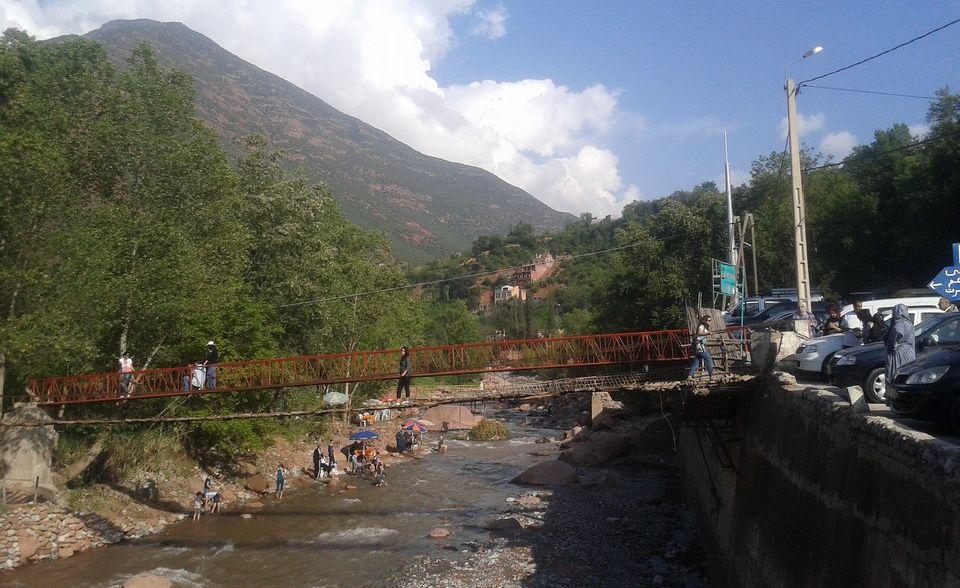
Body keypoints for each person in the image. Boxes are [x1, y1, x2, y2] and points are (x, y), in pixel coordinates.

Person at [884, 304, 916, 397]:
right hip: (909, 352)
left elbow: (898, 331)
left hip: (899, 353)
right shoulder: (909, 323)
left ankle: (894, 397)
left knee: (895, 374)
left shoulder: (900, 323)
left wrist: (893, 342)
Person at [687, 315, 714, 380]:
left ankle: (689, 376)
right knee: (709, 359)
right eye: (709, 320)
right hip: (700, 347)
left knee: (696, 362)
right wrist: (708, 333)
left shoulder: (704, 327)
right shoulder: (701, 326)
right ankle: (711, 376)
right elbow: (699, 333)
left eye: (710, 320)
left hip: (698, 347)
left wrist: (708, 332)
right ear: (705, 321)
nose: (710, 322)